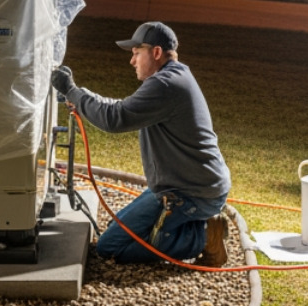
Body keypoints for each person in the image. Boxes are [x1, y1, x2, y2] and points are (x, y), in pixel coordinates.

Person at [51, 21, 231, 265]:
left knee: (111, 248)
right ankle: (192, 224)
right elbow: (120, 107)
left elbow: (115, 118)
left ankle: (204, 235)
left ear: (156, 53)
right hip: (186, 184)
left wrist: (72, 91)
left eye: (136, 53)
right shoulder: (174, 77)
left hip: (190, 193)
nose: (132, 61)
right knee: (119, 230)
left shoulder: (165, 85)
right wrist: (80, 97)